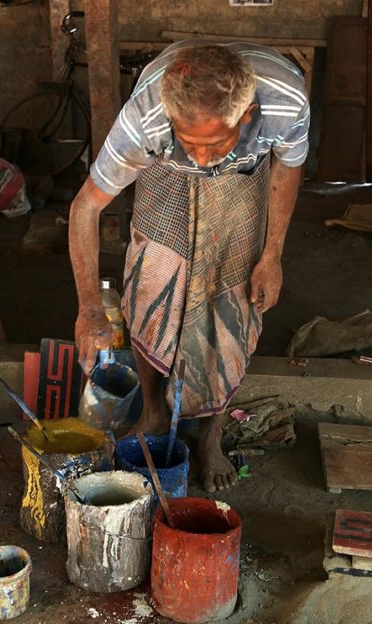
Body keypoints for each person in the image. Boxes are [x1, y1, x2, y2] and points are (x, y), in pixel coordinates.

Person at [69, 42, 309, 492]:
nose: (201, 157)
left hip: (243, 180)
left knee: (231, 306)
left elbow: (287, 167)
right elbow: (86, 207)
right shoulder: (147, 116)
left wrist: (272, 253)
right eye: (189, 141)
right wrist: (88, 308)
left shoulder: (284, 100)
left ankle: (211, 433)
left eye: (213, 142)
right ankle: (154, 413)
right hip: (165, 177)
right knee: (149, 291)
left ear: (247, 114)